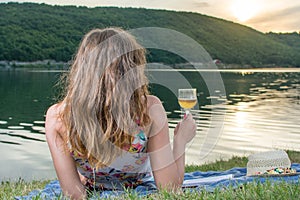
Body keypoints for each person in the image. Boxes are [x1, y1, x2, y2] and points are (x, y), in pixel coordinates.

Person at [45, 27, 196, 199]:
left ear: (81, 69)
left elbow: (74, 194)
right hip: (140, 186)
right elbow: (170, 189)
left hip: (93, 187)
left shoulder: (57, 117)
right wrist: (180, 140)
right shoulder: (149, 109)